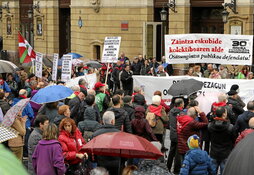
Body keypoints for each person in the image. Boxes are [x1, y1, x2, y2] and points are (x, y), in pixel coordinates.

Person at [208, 107, 235, 174]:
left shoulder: (210, 126)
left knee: (212, 172)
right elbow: (234, 139)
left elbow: (209, 138)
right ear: (224, 114)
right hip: (225, 153)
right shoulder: (230, 127)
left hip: (213, 152)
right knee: (225, 172)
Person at [12, 89, 34, 158]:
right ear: (25, 94)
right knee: (25, 139)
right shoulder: (26, 103)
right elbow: (31, 114)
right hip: (25, 124)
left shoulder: (14, 102)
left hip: (15, 125)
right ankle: (25, 154)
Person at [167, 98, 184, 174]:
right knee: (178, 153)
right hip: (179, 134)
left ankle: (168, 167)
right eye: (183, 103)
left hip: (172, 134)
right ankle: (176, 170)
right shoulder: (182, 113)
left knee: (171, 151)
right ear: (180, 104)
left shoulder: (171, 111)